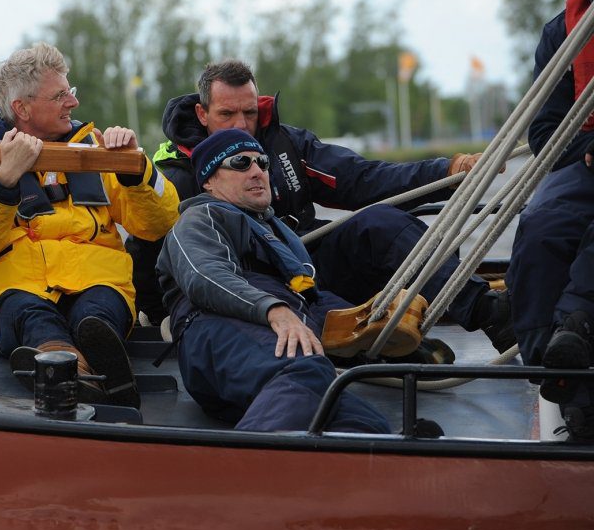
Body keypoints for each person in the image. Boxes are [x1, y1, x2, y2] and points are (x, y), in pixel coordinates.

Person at [129, 59, 515, 357]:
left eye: (249, 112)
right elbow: (150, 245)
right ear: (202, 114)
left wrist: (448, 170)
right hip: (245, 297)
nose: (242, 125)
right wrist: (159, 317)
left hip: (310, 272)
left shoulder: (286, 147)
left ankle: (490, 314)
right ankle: (369, 345)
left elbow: (364, 179)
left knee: (382, 222)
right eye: (227, 115)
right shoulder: (173, 176)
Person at [0, 42, 179, 408]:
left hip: (97, 279)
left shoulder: (96, 148)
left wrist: (136, 168)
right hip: (15, 286)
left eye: (71, 92)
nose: (73, 102)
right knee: (30, 316)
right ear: (22, 108)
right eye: (60, 95)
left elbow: (159, 224)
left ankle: (65, 372)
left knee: (97, 312)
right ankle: (80, 373)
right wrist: (1, 181)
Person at [156, 128, 391, 433]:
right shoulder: (202, 218)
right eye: (241, 163)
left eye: (263, 163)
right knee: (305, 367)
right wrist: (276, 311)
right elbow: (205, 276)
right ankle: (242, 472)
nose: (257, 172)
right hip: (214, 336)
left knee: (365, 422)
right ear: (210, 181)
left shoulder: (279, 234)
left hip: (266, 353)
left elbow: (313, 301)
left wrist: (380, 326)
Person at [506, 0, 594, 440]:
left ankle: (577, 327)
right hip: (585, 165)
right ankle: (557, 372)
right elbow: (544, 130)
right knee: (539, 231)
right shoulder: (566, 31)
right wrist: (586, 148)